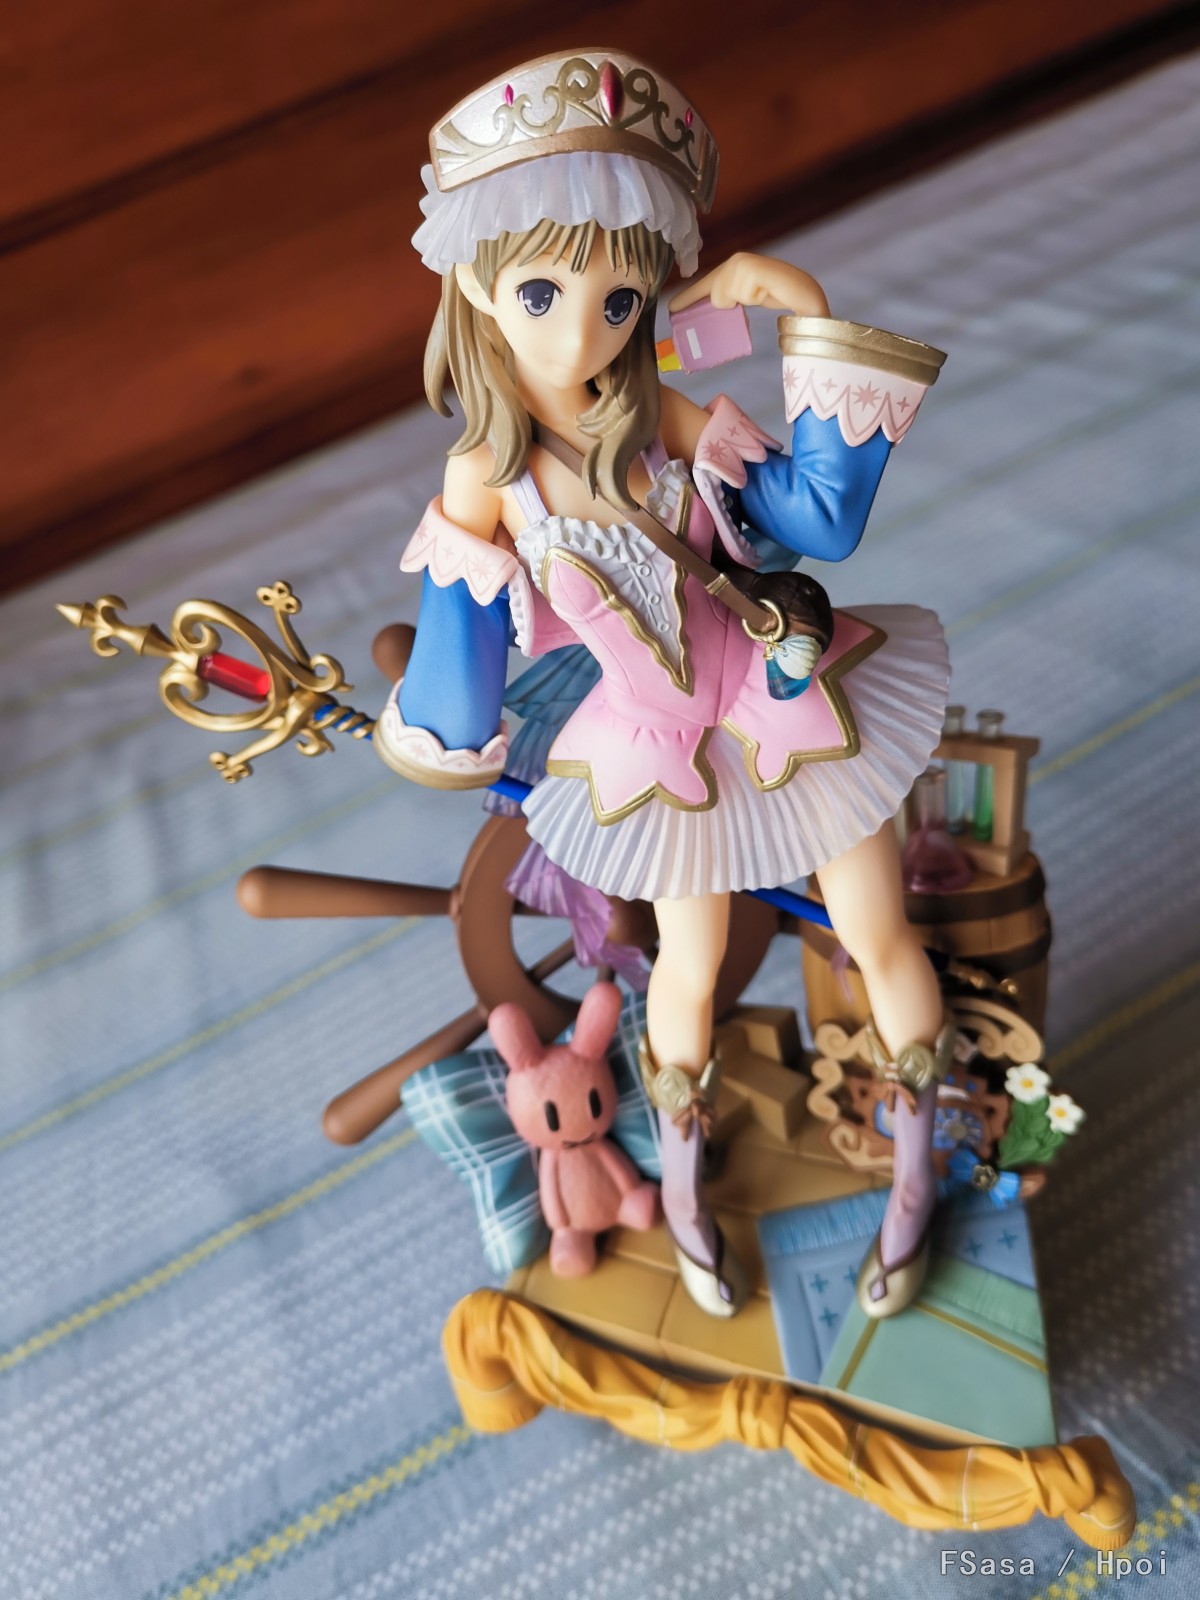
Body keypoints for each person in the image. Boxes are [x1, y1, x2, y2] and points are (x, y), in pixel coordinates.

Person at [376, 49, 953, 1319]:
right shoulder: (487, 477)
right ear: (474, 282)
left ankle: (915, 1182)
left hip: (788, 702)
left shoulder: (665, 414)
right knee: (684, 974)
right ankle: (684, 1201)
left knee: (878, 933)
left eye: (620, 300)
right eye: (540, 292)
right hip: (654, 744)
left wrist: (795, 302)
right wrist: (427, 733)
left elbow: (821, 523)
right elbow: (461, 672)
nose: (580, 335)